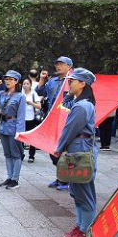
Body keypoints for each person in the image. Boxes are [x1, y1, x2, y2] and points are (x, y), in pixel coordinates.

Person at [56, 68, 98, 237]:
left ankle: (86, 231)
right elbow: (64, 103)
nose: (69, 84)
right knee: (77, 191)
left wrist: (59, 148)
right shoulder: (80, 103)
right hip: (78, 148)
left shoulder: (82, 106)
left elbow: (70, 129)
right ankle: (80, 226)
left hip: (80, 150)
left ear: (82, 84)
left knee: (84, 192)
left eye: (72, 81)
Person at [37, 56, 73, 190]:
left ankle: (66, 180)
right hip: (52, 120)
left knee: (64, 151)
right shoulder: (52, 81)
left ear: (69, 66)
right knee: (53, 151)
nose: (58, 66)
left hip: (66, 120)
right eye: (57, 64)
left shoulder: (73, 81)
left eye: (62, 64)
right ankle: (60, 178)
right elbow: (39, 92)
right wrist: (42, 79)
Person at [0, 70, 26, 189]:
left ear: (16, 81)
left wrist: (19, 132)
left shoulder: (20, 96)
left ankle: (15, 180)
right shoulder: (1, 94)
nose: (7, 81)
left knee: (16, 154)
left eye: (11, 79)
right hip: (3, 126)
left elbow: (21, 116)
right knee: (7, 154)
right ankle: (9, 177)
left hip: (14, 127)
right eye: (6, 79)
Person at [23, 78, 43, 162]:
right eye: (24, 84)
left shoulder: (33, 94)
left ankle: (31, 156)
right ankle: (21, 154)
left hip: (31, 119)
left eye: (27, 84)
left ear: (30, 85)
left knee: (31, 138)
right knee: (21, 138)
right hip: (22, 119)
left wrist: (31, 103)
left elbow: (39, 106)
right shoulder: (20, 94)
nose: (25, 85)